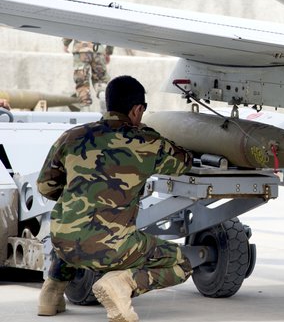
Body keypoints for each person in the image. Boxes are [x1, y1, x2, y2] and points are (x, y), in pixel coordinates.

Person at [36, 75, 193, 322]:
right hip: (113, 249)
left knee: (76, 226)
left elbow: (45, 187)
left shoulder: (71, 136)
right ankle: (121, 283)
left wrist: (80, 196)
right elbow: (184, 162)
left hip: (61, 242)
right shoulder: (148, 142)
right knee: (182, 263)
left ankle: (50, 295)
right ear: (137, 109)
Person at [63, 0, 113, 112]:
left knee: (82, 83)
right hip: (98, 50)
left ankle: (86, 112)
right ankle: (102, 97)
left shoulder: (74, 7)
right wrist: (108, 51)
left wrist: (65, 44)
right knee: (101, 80)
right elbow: (110, 28)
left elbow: (70, 28)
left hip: (81, 51)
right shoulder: (98, 8)